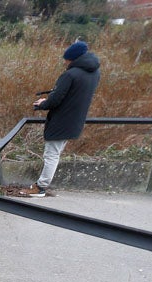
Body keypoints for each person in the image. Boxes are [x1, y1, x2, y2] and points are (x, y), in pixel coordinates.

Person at [21, 40, 101, 197]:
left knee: (51, 154)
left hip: (62, 120)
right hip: (75, 120)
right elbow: (73, 95)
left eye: (66, 59)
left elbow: (57, 99)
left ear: (72, 58)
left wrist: (43, 103)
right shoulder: (95, 73)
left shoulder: (70, 74)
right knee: (55, 153)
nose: (65, 62)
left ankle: (41, 187)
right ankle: (42, 185)